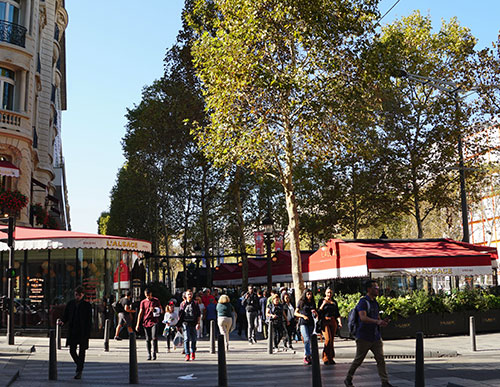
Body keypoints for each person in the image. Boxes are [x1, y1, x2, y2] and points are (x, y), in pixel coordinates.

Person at [344, 280, 393, 387]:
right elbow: (363, 317)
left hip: (375, 336)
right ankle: (348, 377)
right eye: (375, 288)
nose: (378, 289)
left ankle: (385, 382)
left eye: (377, 287)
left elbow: (377, 318)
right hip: (364, 336)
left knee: (380, 359)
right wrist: (377, 321)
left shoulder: (375, 302)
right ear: (369, 289)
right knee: (358, 360)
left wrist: (382, 322)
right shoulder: (363, 302)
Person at [59, 286, 92, 379]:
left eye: (79, 295)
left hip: (82, 331)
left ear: (83, 295)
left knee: (82, 351)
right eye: (76, 294)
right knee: (72, 350)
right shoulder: (71, 304)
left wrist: (88, 332)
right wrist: (62, 321)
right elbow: (66, 316)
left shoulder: (87, 306)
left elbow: (89, 320)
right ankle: (79, 365)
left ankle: (79, 370)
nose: (77, 296)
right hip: (73, 330)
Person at [135, 288, 163, 360]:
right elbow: (140, 313)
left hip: (154, 321)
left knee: (154, 337)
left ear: (151, 294)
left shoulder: (156, 300)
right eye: (146, 295)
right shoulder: (143, 302)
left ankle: (154, 352)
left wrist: (155, 309)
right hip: (146, 321)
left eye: (149, 295)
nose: (148, 297)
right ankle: (149, 354)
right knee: (148, 339)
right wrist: (137, 324)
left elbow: (161, 311)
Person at [318, 287, 341, 365]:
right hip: (325, 321)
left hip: (333, 320)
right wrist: (324, 304)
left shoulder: (334, 302)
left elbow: (337, 313)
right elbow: (319, 311)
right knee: (328, 339)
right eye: (328, 292)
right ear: (325, 293)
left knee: (332, 340)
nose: (329, 294)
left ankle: (331, 358)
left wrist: (339, 322)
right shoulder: (321, 301)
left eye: (330, 293)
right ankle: (325, 357)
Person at [295, 289, 317, 365]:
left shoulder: (312, 302)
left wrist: (315, 313)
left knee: (310, 339)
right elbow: (296, 313)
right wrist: (303, 316)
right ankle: (307, 355)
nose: (309, 296)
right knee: (306, 338)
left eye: (310, 294)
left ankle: (307, 353)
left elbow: (315, 312)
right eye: (308, 294)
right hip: (303, 323)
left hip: (311, 322)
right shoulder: (301, 302)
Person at [178, 289, 201, 361]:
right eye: (188, 294)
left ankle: (193, 352)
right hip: (185, 323)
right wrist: (179, 324)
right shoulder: (183, 304)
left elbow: (198, 314)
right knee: (186, 338)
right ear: (186, 295)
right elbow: (180, 314)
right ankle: (187, 354)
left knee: (194, 339)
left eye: (191, 294)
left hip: (193, 323)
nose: (190, 295)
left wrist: (198, 323)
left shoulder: (195, 303)